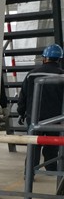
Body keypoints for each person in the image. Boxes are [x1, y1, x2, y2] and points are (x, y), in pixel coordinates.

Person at [17, 43, 64, 171]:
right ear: (59, 59)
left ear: (44, 58)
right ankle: (51, 170)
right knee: (52, 146)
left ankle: (29, 173)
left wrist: (21, 112)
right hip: (55, 119)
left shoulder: (31, 74)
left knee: (33, 146)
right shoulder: (62, 76)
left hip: (34, 117)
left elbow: (23, 96)